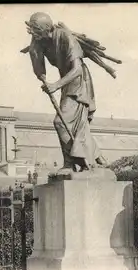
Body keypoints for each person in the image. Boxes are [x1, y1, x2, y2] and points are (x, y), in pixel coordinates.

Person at [24, 12, 107, 173]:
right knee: (77, 124)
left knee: (61, 122)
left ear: (45, 28)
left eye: (36, 30)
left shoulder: (64, 37)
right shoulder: (40, 40)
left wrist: (55, 85)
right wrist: (40, 71)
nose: (33, 34)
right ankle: (98, 158)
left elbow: (76, 69)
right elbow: (38, 65)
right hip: (66, 81)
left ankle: (70, 164)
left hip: (78, 80)